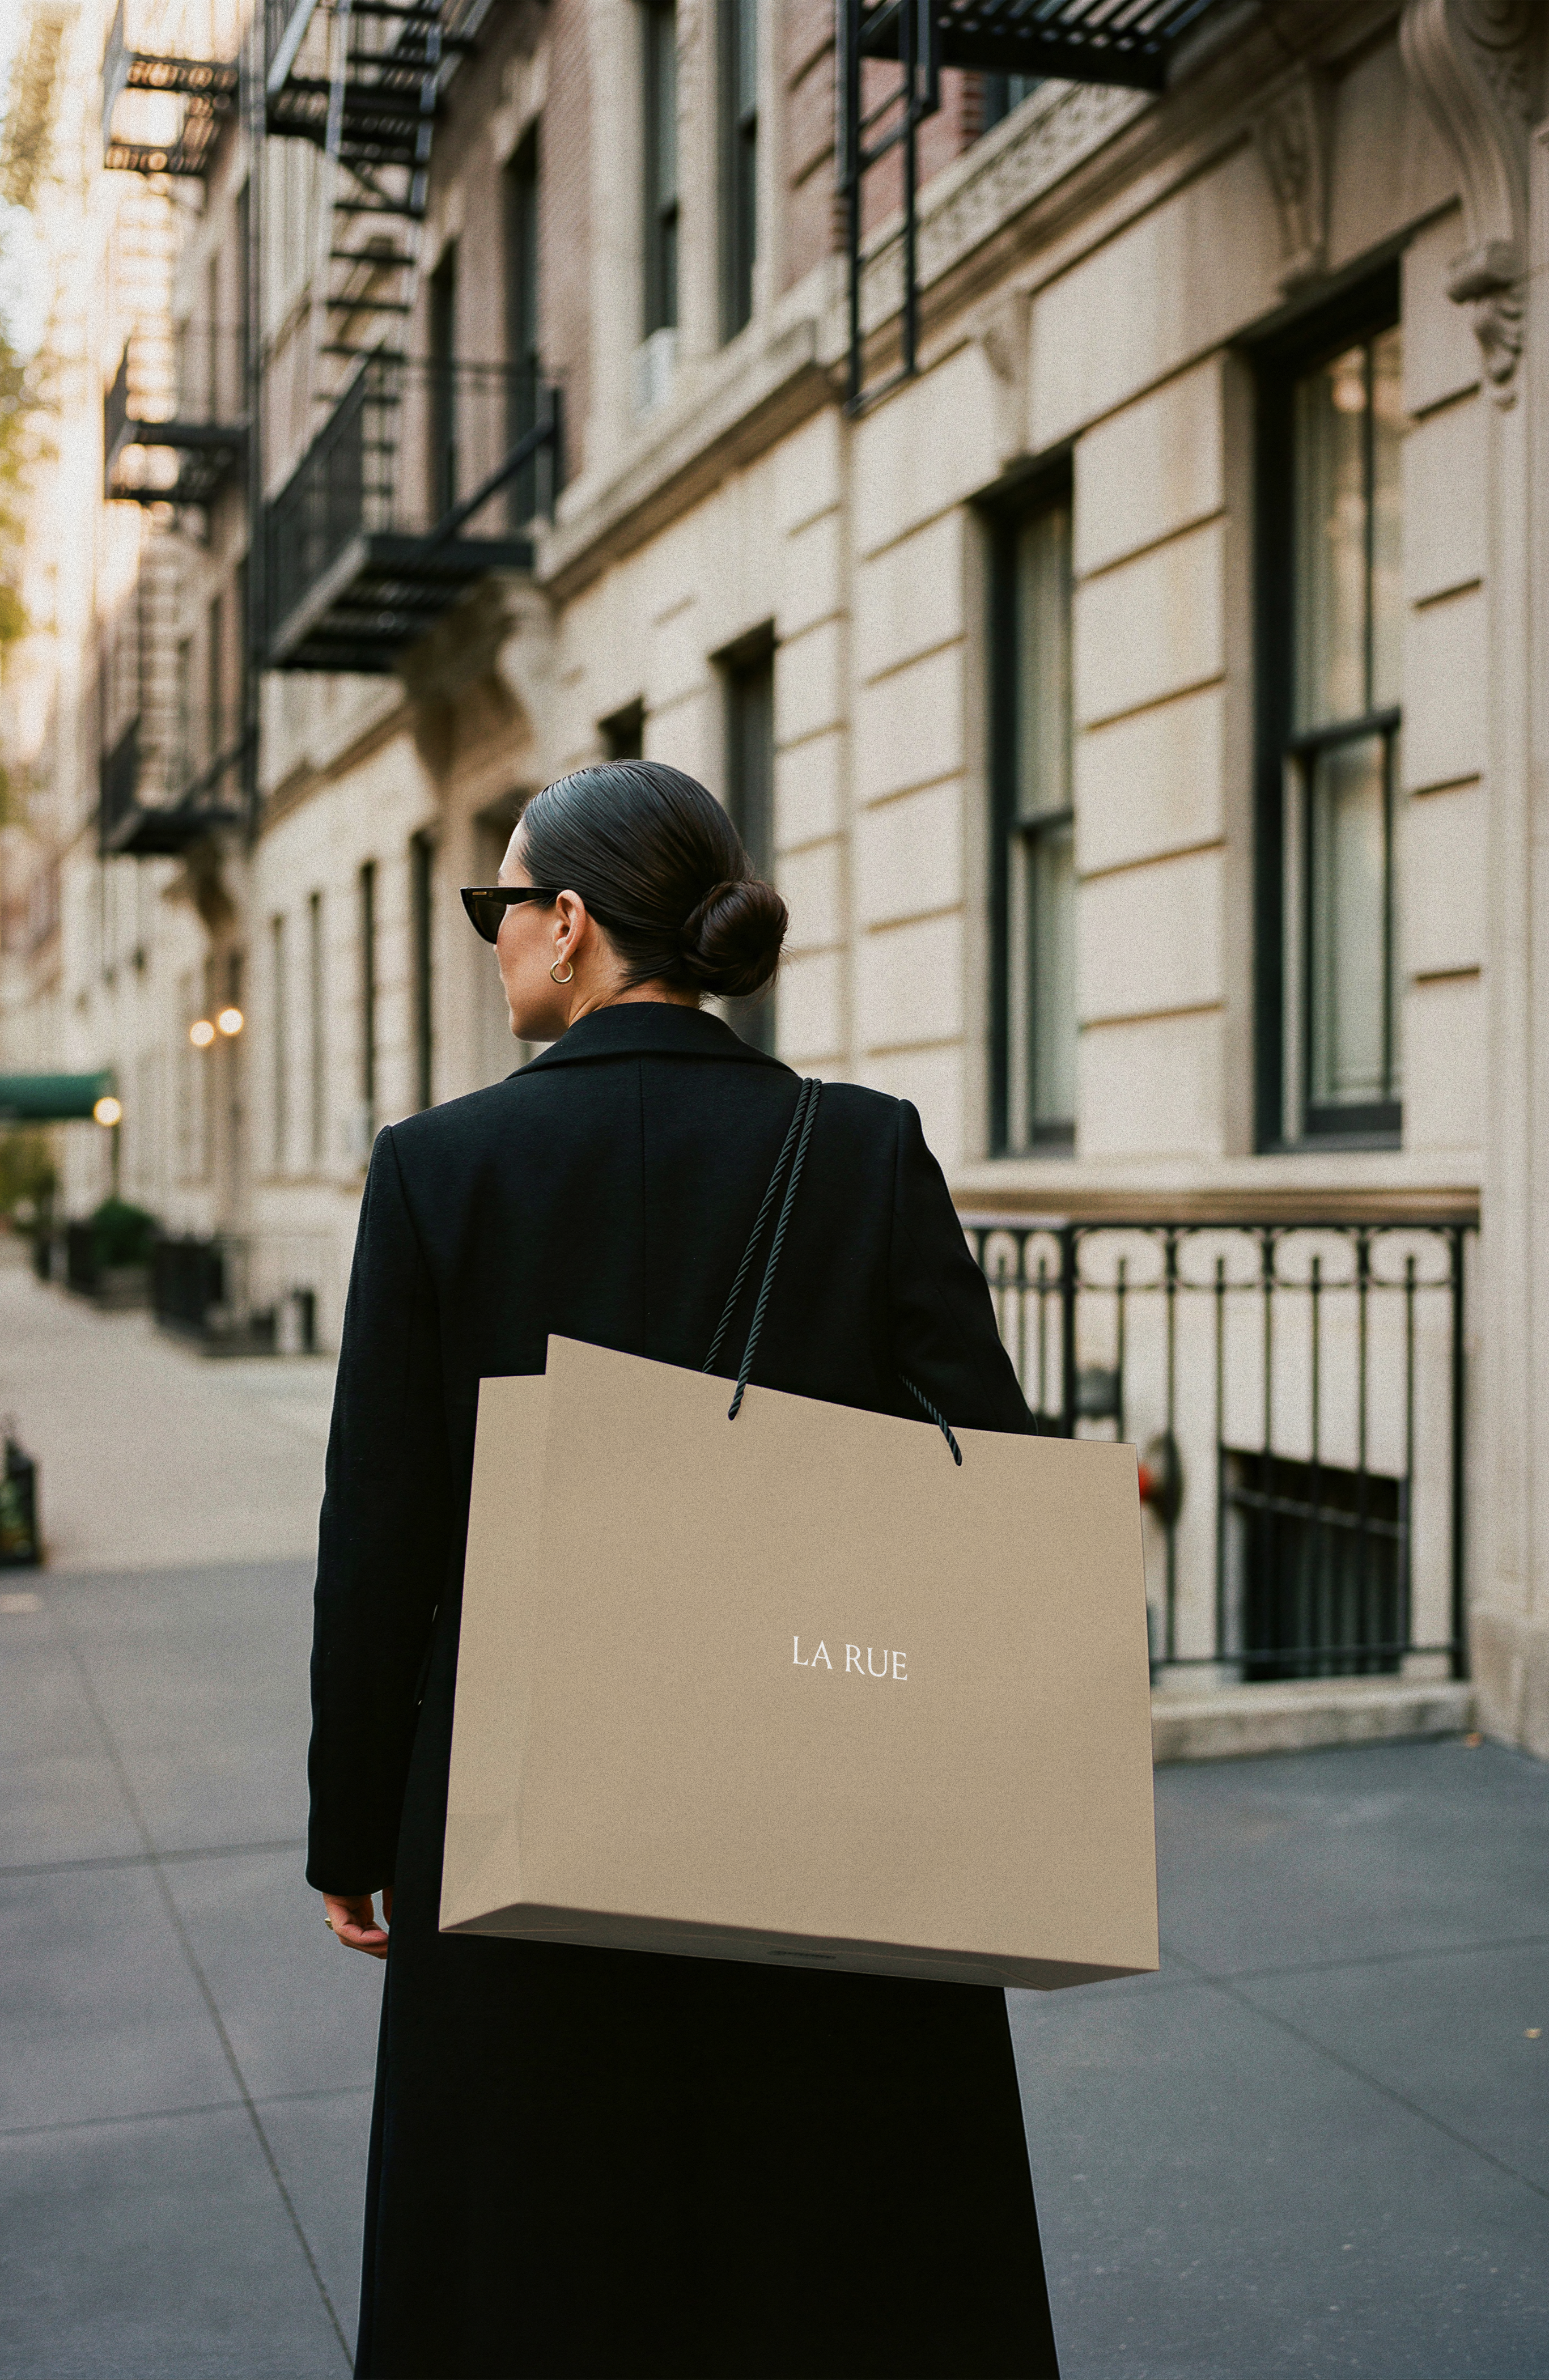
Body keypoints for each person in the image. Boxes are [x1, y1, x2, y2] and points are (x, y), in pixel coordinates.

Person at [307, 759, 1060, 2380]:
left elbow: (379, 1536)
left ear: (570, 925)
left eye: (497, 906)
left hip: (520, 1811)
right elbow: (994, 1477)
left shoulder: (438, 1172)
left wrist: (352, 1827)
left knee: (541, 2267)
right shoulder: (860, 1151)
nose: (492, 936)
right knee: (827, 2261)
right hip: (821, 1812)